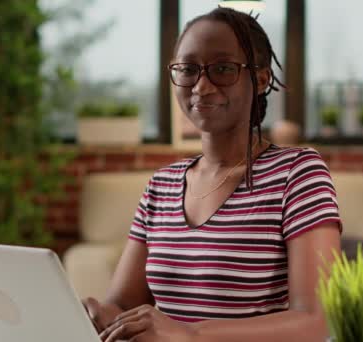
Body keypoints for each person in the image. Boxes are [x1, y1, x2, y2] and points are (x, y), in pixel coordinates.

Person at [83, 7, 342, 342]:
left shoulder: (298, 174)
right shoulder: (161, 185)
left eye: (223, 69)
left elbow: (316, 322)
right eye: (188, 69)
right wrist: (97, 315)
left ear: (261, 79)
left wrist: (190, 335)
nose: (202, 86)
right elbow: (121, 304)